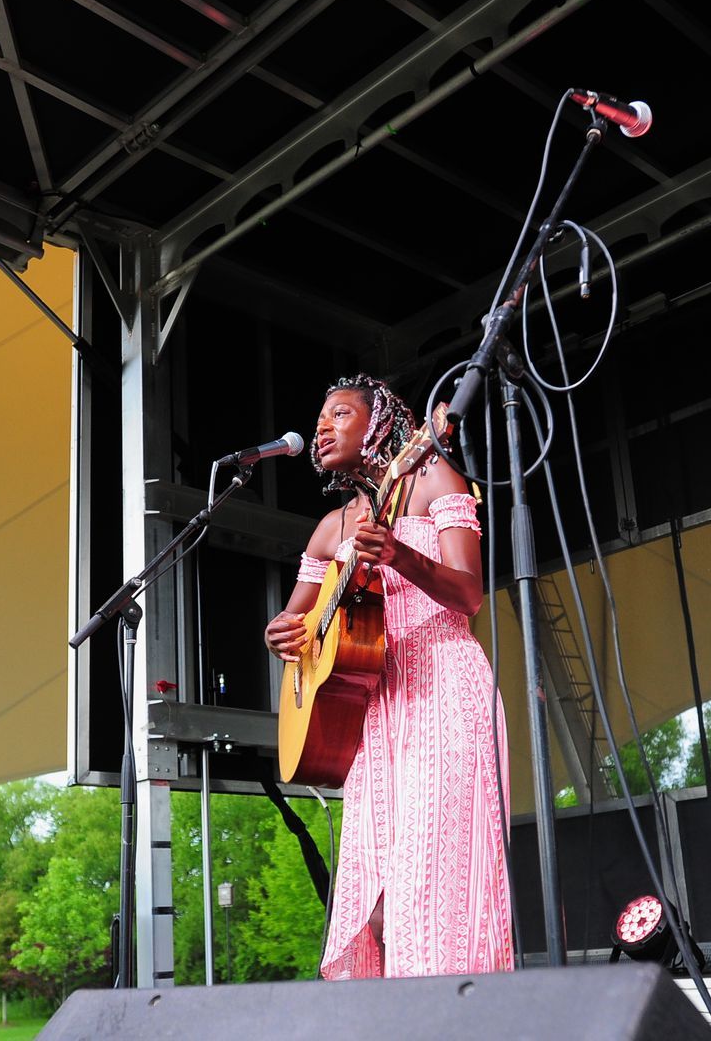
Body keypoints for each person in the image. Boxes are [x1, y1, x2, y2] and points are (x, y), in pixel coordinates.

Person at [264, 373, 514, 979]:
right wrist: (282, 635)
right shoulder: (330, 529)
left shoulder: (433, 481)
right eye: (321, 418)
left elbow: (468, 594)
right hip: (370, 713)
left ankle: (463, 1013)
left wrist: (400, 553)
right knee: (376, 898)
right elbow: (296, 620)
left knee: (441, 876)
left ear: (378, 425)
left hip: (443, 688)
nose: (323, 427)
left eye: (340, 415)